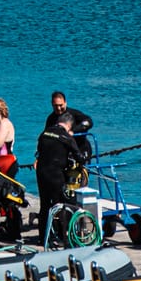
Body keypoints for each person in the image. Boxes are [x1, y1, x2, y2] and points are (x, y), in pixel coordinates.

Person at [34, 117, 81, 245]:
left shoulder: (45, 133)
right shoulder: (66, 137)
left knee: (44, 205)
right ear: (69, 127)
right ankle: (62, 237)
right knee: (59, 205)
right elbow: (79, 156)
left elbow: (39, 150)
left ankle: (42, 237)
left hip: (41, 172)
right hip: (56, 174)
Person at [46, 91, 95, 161]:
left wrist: (73, 131)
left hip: (81, 149)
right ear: (52, 104)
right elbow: (45, 137)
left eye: (61, 105)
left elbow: (89, 122)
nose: (59, 108)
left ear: (65, 103)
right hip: (62, 152)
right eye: (56, 106)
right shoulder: (51, 118)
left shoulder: (74, 114)